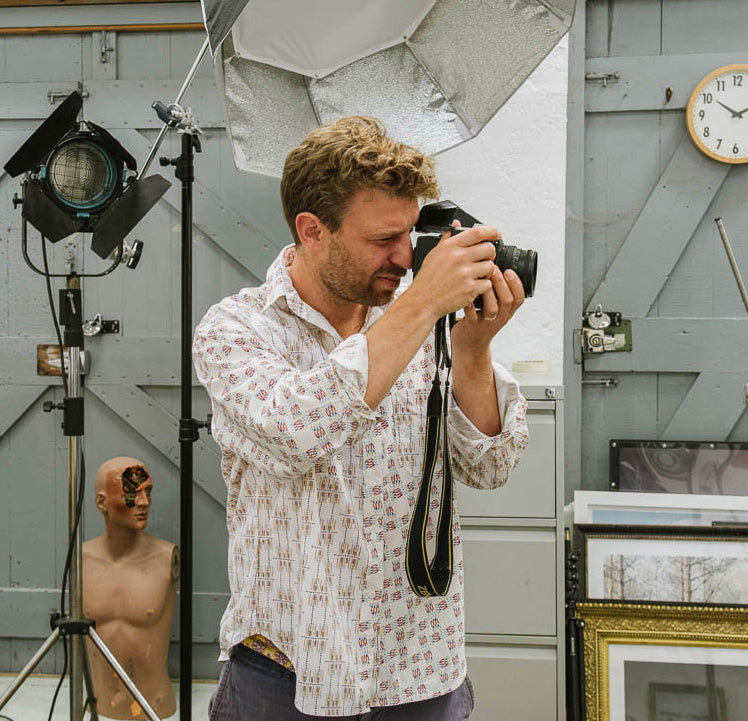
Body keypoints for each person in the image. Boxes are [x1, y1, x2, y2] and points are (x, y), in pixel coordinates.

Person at [193, 116, 529, 719]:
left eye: (410, 233)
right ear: (312, 230)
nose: (406, 258)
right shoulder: (234, 330)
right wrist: (426, 301)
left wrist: (473, 348)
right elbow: (298, 434)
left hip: (422, 666)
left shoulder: (425, 327)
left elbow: (491, 464)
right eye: (383, 239)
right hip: (287, 671)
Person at [83, 457, 180, 720]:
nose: (144, 502)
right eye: (131, 494)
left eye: (147, 491)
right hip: (98, 707)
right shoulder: (81, 561)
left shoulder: (165, 557)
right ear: (102, 502)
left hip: (155, 709)